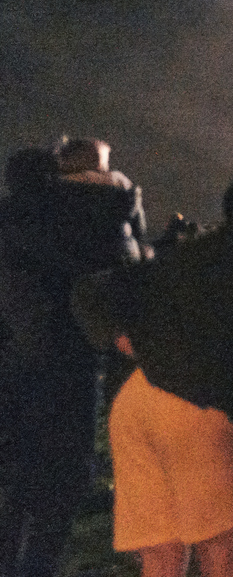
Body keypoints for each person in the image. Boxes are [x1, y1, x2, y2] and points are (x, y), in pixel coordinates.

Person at [73, 173, 233, 577]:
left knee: (161, 555)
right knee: (222, 550)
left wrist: (125, 340)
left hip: (136, 403)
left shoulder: (186, 253)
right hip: (203, 404)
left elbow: (90, 291)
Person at [1, 140, 144, 577]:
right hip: (67, 363)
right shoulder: (86, 219)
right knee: (60, 478)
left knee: (11, 479)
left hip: (11, 363)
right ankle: (38, 565)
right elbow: (126, 268)